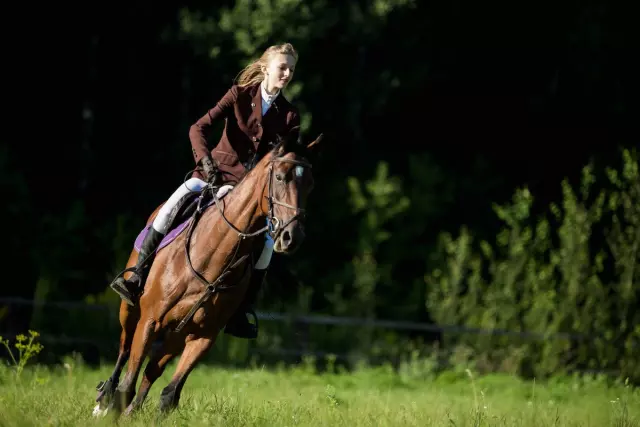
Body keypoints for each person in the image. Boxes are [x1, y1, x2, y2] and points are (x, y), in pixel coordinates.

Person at [110, 42, 302, 339]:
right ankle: (137, 276)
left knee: (266, 245)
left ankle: (242, 309)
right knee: (170, 208)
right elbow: (197, 128)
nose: (287, 73)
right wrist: (206, 162)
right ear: (266, 68)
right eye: (282, 67)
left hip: (247, 194)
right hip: (212, 174)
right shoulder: (238, 95)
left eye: (291, 69)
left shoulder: (290, 116)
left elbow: (283, 162)